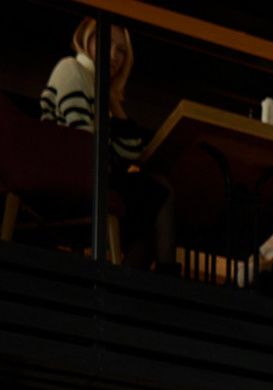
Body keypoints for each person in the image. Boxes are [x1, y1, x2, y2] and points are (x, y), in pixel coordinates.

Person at [40, 17, 174, 268]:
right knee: (160, 192)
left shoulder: (99, 87)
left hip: (92, 180)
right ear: (87, 39)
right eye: (107, 43)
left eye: (122, 51)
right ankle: (166, 279)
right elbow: (83, 142)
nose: (114, 55)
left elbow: (132, 154)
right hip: (66, 183)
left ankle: (123, 291)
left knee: (152, 216)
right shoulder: (72, 68)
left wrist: (112, 96)